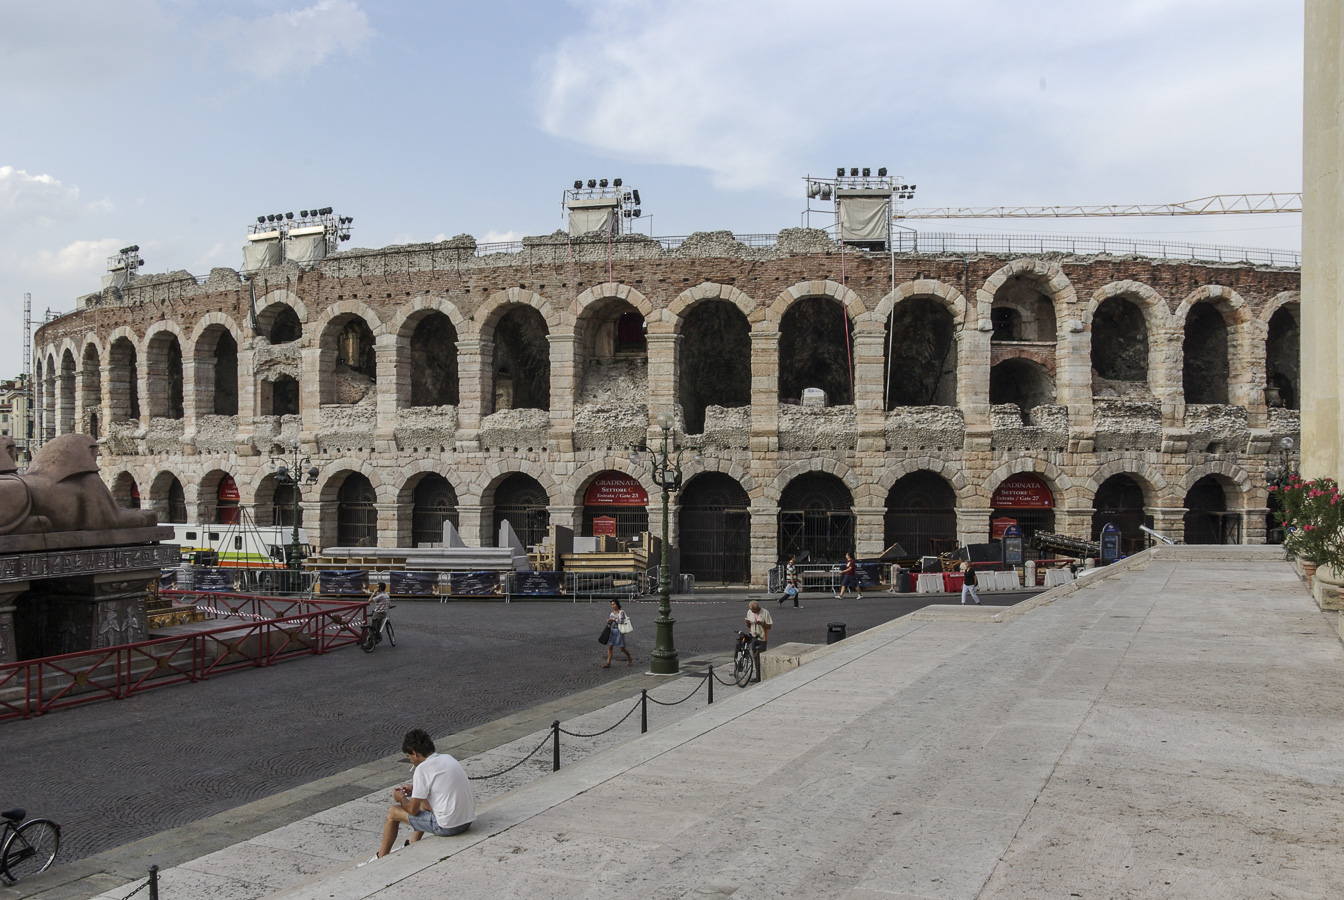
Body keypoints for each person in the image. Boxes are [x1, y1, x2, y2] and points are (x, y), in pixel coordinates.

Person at [362, 728, 475, 865]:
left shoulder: (422, 768)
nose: (410, 760)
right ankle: (412, 842)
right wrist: (415, 790)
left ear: (414, 753)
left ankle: (380, 856)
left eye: (409, 757)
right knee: (422, 800)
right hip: (467, 821)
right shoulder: (447, 758)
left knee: (393, 812)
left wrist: (401, 798)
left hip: (449, 826)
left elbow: (412, 810)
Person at [744, 600, 772, 683]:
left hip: (762, 638)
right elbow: (748, 626)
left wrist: (762, 624)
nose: (752, 611)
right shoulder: (749, 612)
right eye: (751, 610)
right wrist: (747, 623)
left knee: (761, 657)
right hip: (753, 636)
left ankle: (763, 675)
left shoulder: (765, 613)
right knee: (755, 657)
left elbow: (769, 626)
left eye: (754, 610)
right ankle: (757, 676)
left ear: (757, 608)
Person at [603, 599, 633, 668]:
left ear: (617, 604)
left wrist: (615, 619)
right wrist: (609, 621)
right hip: (613, 631)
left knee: (622, 648)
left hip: (620, 631)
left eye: (614, 604)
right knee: (610, 646)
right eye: (611, 605)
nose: (612, 606)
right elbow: (611, 622)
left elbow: (621, 621)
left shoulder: (621, 612)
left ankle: (629, 658)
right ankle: (608, 663)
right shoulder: (612, 614)